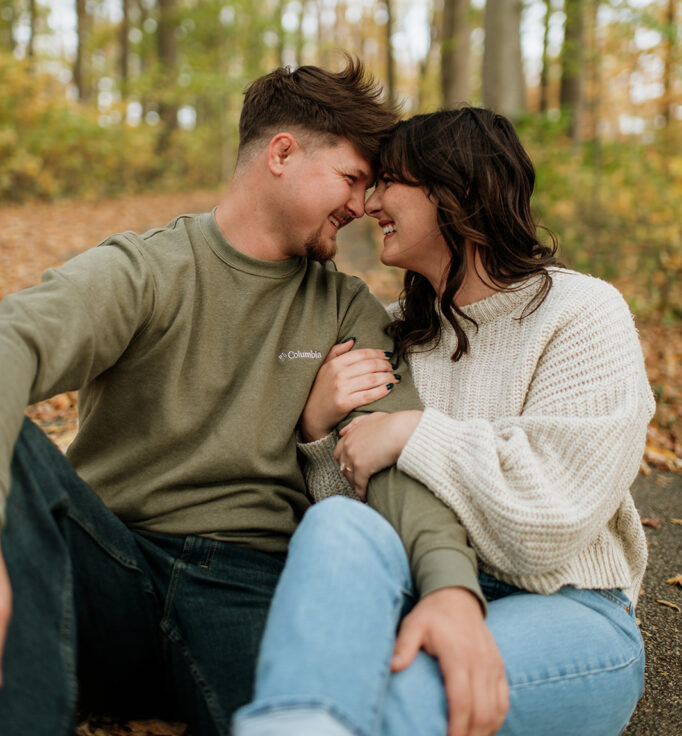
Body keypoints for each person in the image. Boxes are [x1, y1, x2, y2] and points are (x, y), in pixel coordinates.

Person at [0, 63, 505, 736]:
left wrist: (449, 589)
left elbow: (388, 456)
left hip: (247, 588)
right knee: (24, 452)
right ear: (282, 153)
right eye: (352, 179)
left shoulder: (344, 308)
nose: (361, 206)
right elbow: (17, 341)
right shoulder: (149, 270)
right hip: (105, 571)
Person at [234, 107, 654, 736]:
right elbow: (365, 507)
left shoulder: (580, 314)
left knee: (402, 696)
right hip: (420, 590)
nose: (369, 201)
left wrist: (411, 433)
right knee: (337, 525)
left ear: (456, 191)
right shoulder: (398, 329)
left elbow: (546, 525)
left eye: (389, 181)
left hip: (566, 605)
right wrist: (322, 432)